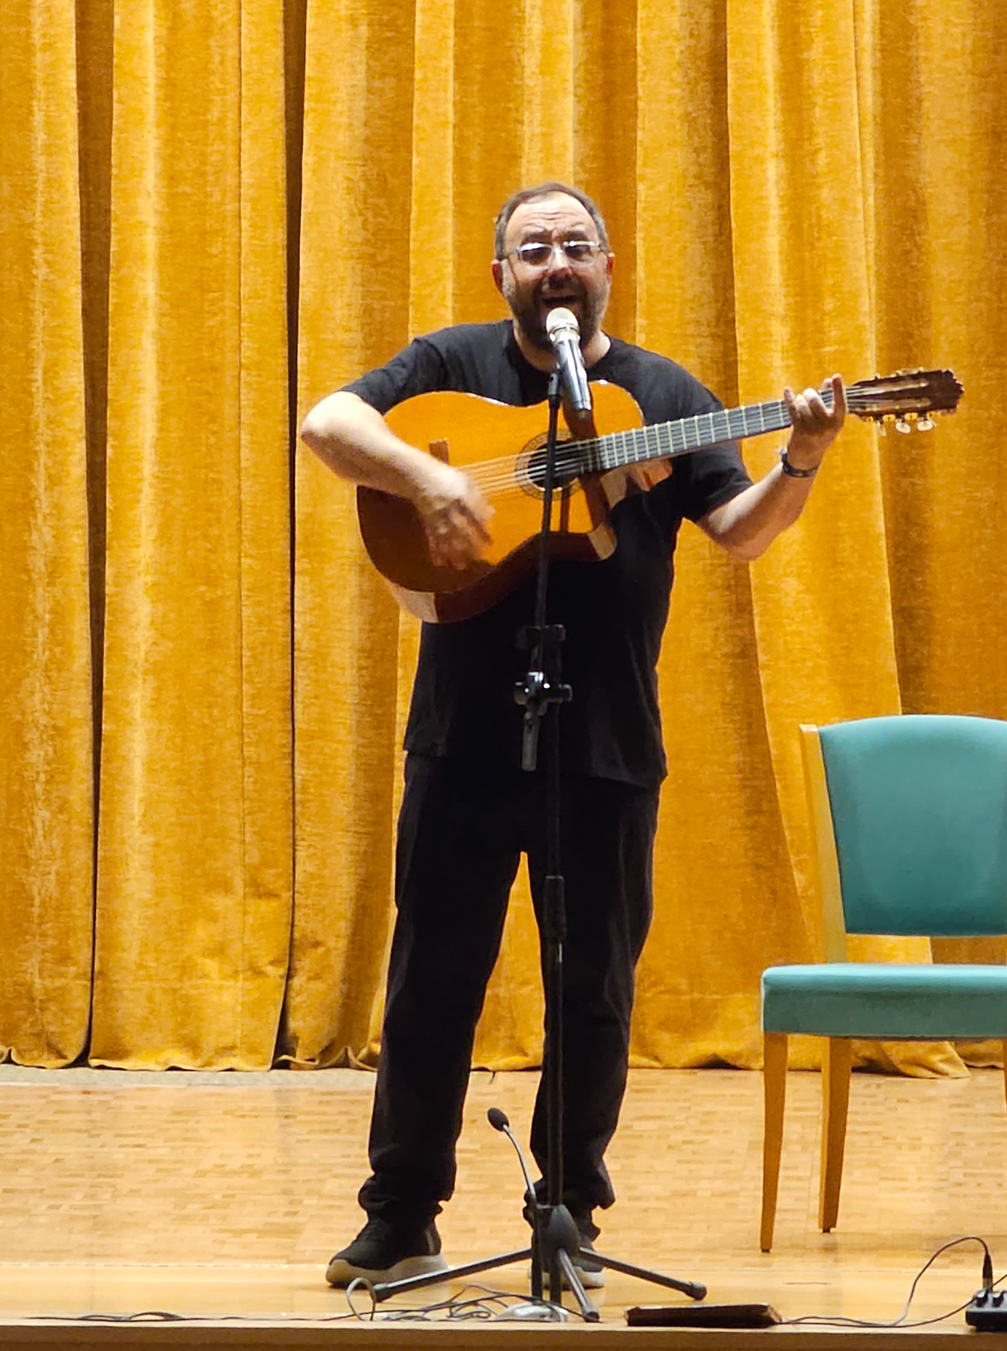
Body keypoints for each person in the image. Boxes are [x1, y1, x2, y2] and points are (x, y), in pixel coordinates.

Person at [297, 182, 846, 1289]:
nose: (557, 262)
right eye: (534, 247)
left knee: (592, 990)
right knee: (430, 981)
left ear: (607, 267)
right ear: (502, 273)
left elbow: (739, 536)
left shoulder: (662, 395)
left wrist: (800, 456)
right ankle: (401, 1213)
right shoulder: (449, 363)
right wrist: (430, 477)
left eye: (576, 245)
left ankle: (568, 1210)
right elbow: (328, 426)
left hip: (605, 742)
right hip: (463, 737)